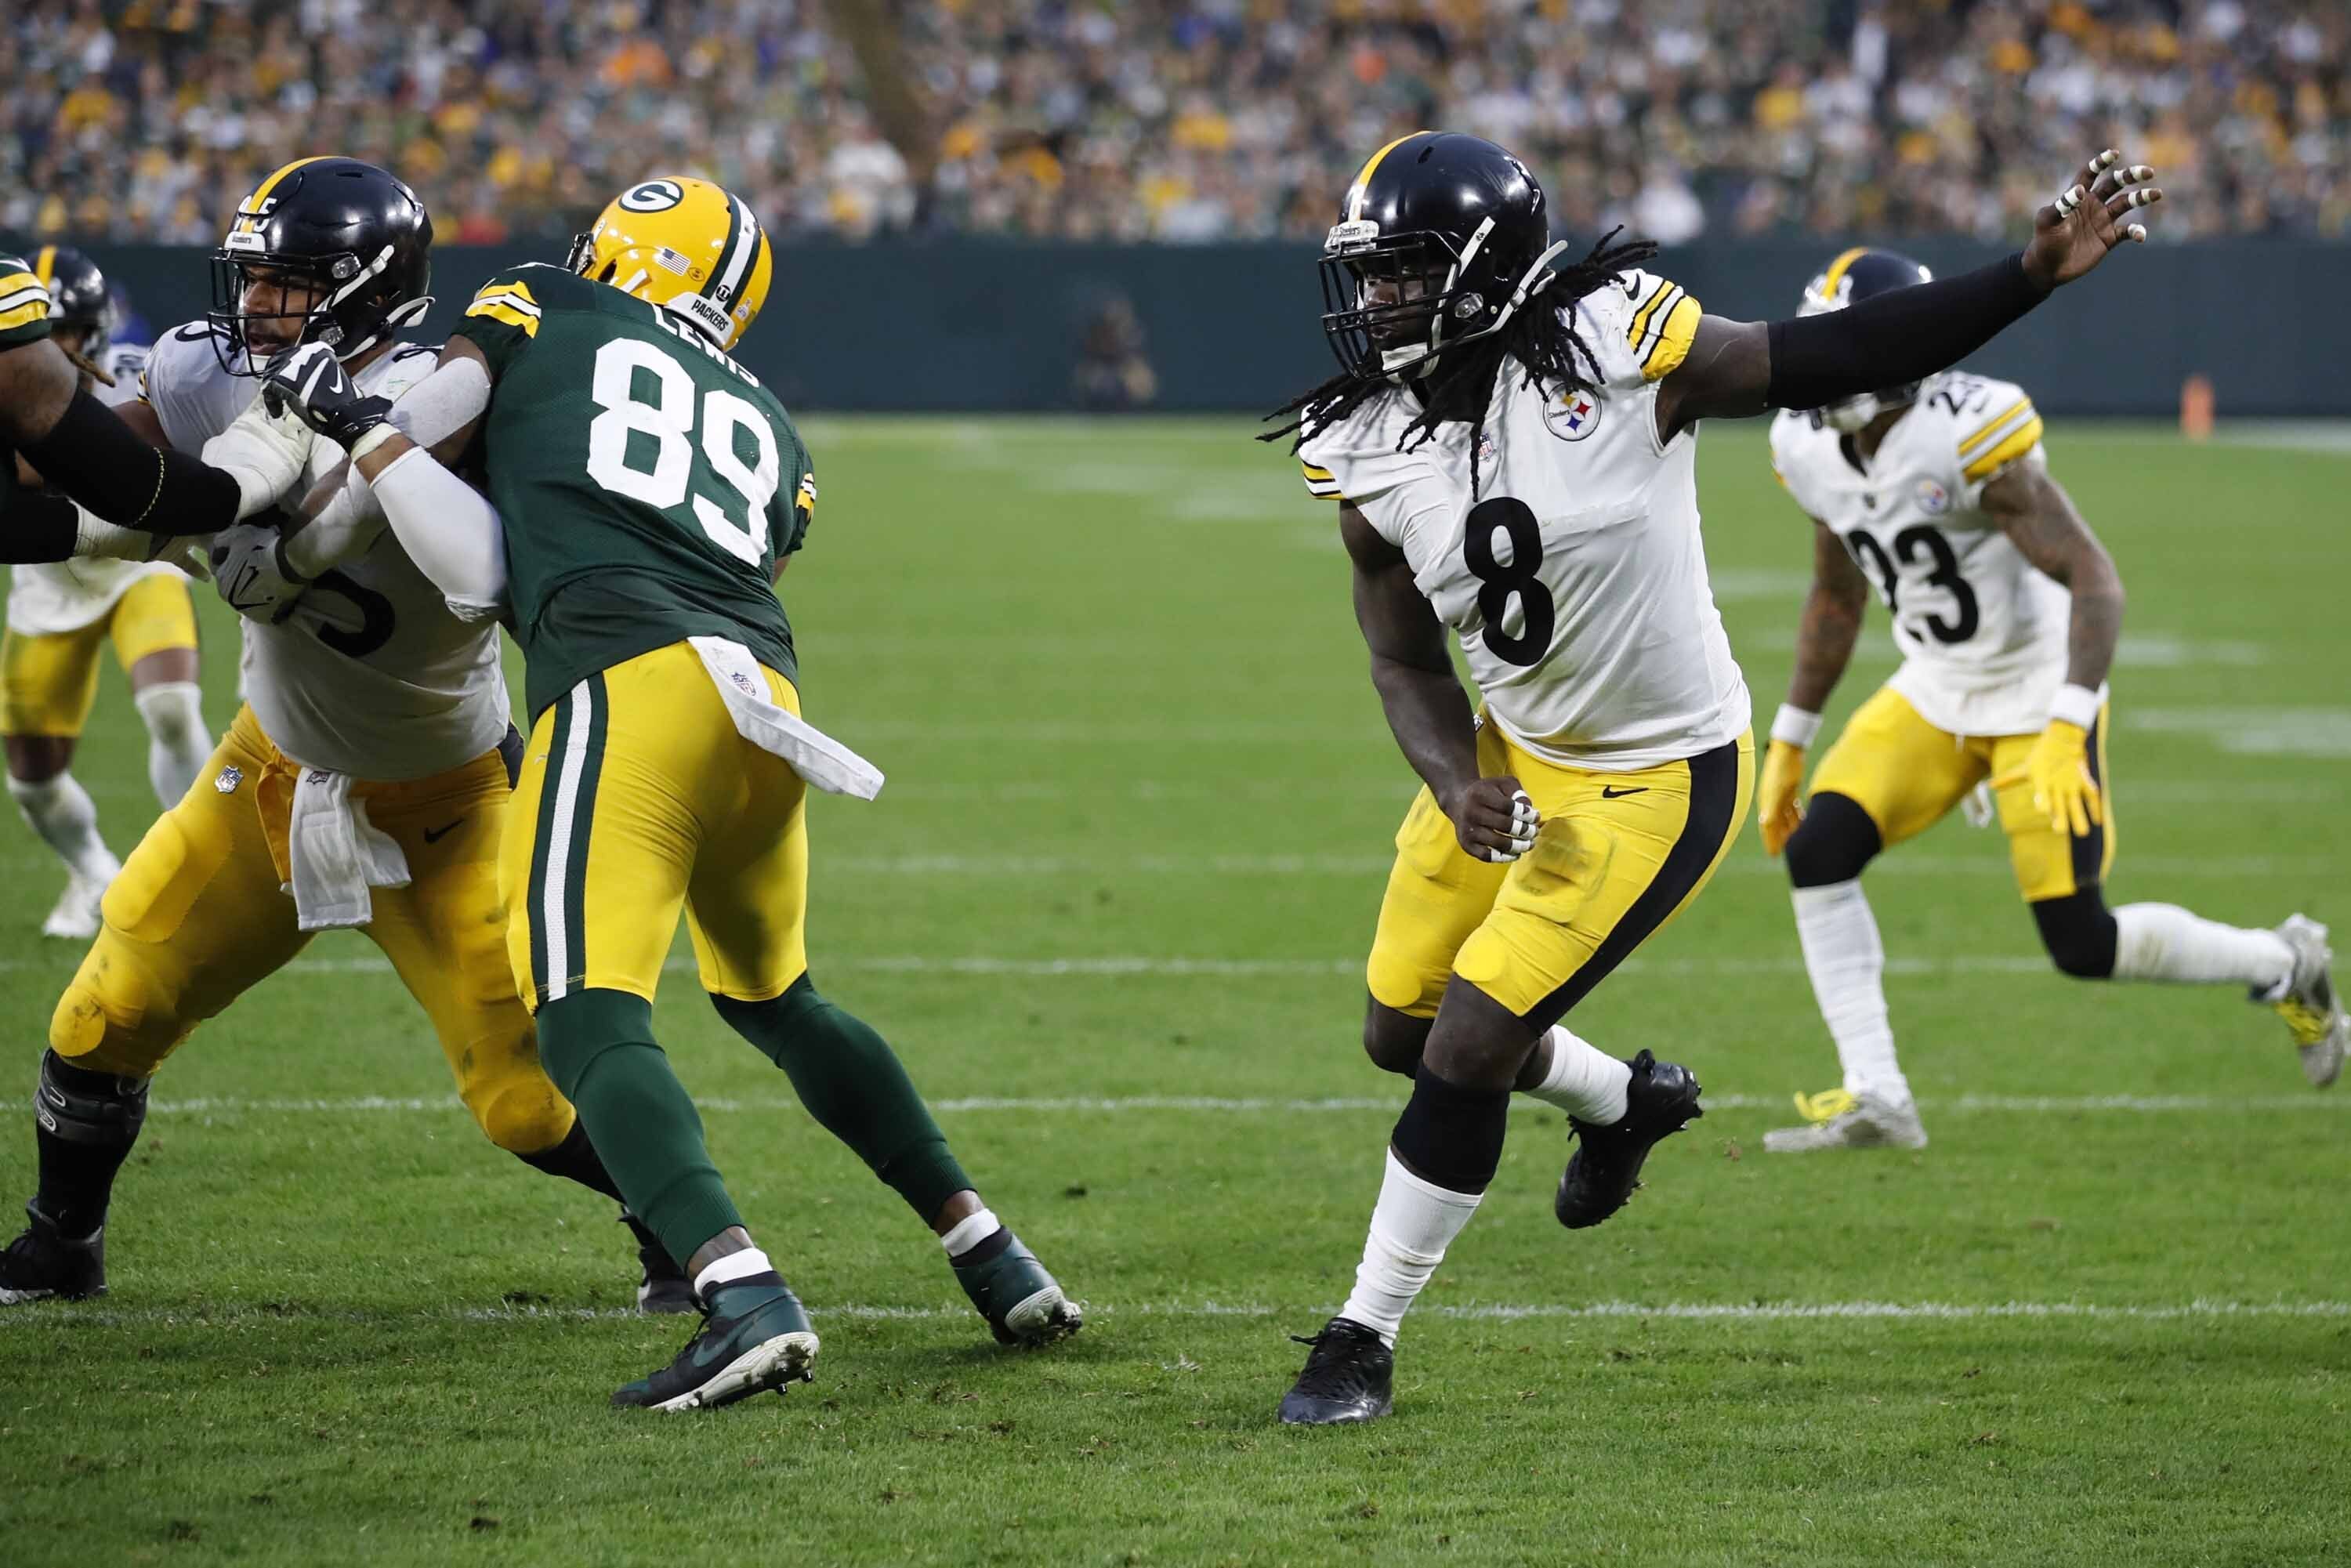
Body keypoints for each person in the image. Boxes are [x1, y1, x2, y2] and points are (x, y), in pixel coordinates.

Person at [1262, 133, 2163, 1424]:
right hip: (1511, 766)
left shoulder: (1619, 344)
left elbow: (1835, 356)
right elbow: (1400, 661)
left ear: (1489, 271)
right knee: (1396, 1035)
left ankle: (1361, 1339)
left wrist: (2024, 276)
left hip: (1653, 778)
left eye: (1406, 274)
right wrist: (1457, 774)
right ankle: (1625, 1102)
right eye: (1372, 275)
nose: (1381, 302)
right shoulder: (1365, 440)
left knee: (1465, 1045)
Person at [262, 174, 1081, 1411]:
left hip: (623, 687)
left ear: (610, 251)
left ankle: (740, 1293)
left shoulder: (541, 301)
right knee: (778, 997)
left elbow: (428, 443)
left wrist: (351, 423)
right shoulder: (776, 427)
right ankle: (993, 1251)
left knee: (583, 1017)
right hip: (768, 709)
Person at [0, 158, 687, 1315]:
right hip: (271, 766)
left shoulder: (450, 409)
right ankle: (61, 1242)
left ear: (366, 290)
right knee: (103, 1013)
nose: (254, 302)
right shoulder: (208, 369)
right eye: (253, 275)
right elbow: (98, 477)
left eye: (285, 281)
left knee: (526, 1098)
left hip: (448, 800)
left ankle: (682, 1234)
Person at [1754, 248, 2346, 1153]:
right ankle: (1878, 1092)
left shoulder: (1963, 430)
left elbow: (2094, 580)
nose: (1825, 353)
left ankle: (2284, 961)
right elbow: (1839, 597)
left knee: (2081, 943)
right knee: (1819, 851)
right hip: (1937, 688)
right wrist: (1790, 737)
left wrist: (2070, 723)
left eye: (1851, 336)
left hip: (2035, 692)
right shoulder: (1805, 446)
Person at [3, 245, 212, 940]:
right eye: (38, 332)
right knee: (31, 776)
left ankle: (204, 866)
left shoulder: (134, 375)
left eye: (61, 330)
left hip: (136, 569)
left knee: (174, 706)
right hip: (47, 588)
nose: (52, 347)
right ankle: (95, 871)